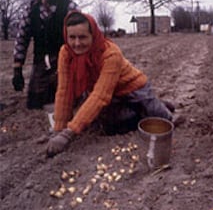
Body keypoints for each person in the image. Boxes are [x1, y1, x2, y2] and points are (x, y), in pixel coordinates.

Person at [46, 10, 174, 157]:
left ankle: (154, 105)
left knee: (164, 119)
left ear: (93, 36)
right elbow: (64, 91)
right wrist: (58, 129)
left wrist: (68, 133)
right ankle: (139, 110)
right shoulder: (66, 53)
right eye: (72, 37)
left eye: (82, 37)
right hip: (109, 94)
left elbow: (100, 96)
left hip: (132, 89)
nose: (76, 43)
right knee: (108, 127)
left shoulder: (111, 54)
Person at [12, 0, 79, 109]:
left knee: (69, 102)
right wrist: (17, 69)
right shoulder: (31, 8)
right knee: (34, 104)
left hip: (66, 62)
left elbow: (81, 37)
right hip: (41, 63)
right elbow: (21, 38)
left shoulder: (69, 7)